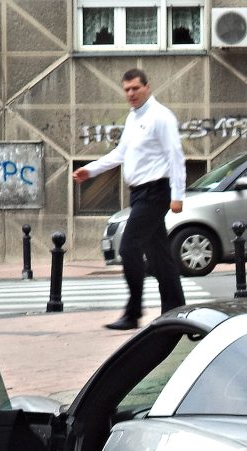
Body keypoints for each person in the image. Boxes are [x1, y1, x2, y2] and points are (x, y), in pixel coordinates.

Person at [72, 68, 185, 330]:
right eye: (127, 89)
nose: (131, 94)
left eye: (135, 88)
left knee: (128, 248)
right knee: (159, 255)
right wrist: (91, 169)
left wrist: (178, 195)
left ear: (148, 86)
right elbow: (120, 154)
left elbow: (175, 156)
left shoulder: (161, 117)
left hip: (156, 191)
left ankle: (133, 313)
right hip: (139, 193)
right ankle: (176, 310)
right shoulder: (133, 118)